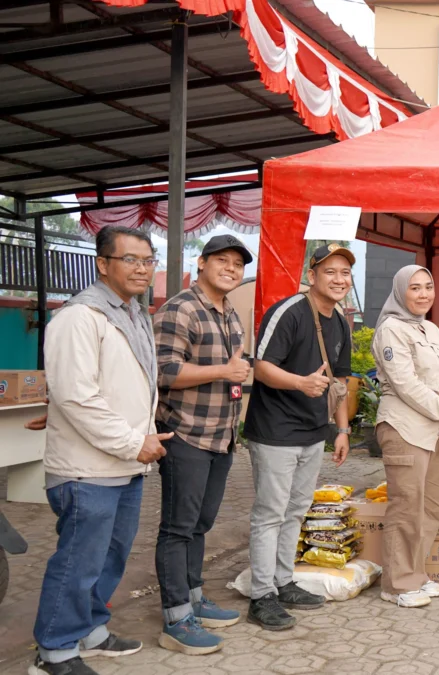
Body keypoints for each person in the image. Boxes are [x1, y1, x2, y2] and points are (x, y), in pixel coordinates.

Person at [31, 226, 172, 675]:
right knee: (78, 559)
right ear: (102, 263)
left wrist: (139, 443)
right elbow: (76, 397)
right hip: (87, 468)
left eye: (148, 260)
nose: (141, 269)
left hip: (126, 466)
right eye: (130, 259)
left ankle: (90, 628)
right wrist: (135, 442)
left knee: (110, 555)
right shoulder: (79, 316)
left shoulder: (134, 314)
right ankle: (54, 649)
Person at [242, 243, 355, 630]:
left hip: (313, 433)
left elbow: (339, 382)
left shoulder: (340, 321)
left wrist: (341, 430)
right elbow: (259, 366)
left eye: (345, 272)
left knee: (295, 510)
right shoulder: (289, 312)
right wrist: (300, 383)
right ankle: (261, 595)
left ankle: (283, 580)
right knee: (270, 513)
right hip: (275, 431)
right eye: (330, 272)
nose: (339, 279)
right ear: (312, 275)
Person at [151, 235, 254, 654]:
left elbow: (233, 372)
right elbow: (164, 372)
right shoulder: (181, 308)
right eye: (222, 261)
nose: (231, 268)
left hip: (221, 437)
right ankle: (176, 618)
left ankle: (194, 597)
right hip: (187, 435)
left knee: (200, 524)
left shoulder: (229, 313)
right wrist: (224, 371)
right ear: (203, 262)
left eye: (238, 263)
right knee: (177, 529)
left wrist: (236, 373)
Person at [371, 265, 439, 607]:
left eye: (428, 287)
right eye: (414, 288)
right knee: (406, 508)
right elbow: (407, 387)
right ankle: (397, 584)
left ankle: (416, 574)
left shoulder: (429, 329)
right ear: (401, 291)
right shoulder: (391, 330)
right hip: (405, 429)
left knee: (430, 508)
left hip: (433, 433)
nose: (423, 294)